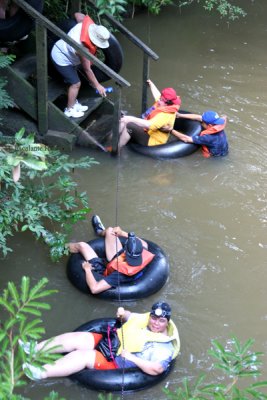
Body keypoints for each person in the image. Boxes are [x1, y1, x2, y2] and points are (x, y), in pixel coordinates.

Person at [21, 302, 180, 379]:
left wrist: (131, 357)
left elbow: (157, 369)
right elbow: (131, 317)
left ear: (167, 322)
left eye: (161, 321)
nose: (155, 323)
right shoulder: (146, 320)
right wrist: (123, 313)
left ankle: (39, 373)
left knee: (83, 356)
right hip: (111, 342)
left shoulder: (164, 347)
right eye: (154, 318)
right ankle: (34, 349)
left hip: (117, 361)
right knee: (77, 337)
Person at [68, 215, 155, 294]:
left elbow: (94, 289)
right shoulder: (143, 249)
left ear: (126, 252)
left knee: (81, 245)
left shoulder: (119, 275)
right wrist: (121, 233)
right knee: (110, 231)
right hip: (118, 261)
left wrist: (87, 269)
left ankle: (59, 247)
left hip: (109, 271)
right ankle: (99, 232)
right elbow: (143, 243)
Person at [51, 13, 110, 118]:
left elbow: (77, 14)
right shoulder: (82, 49)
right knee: (76, 83)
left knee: (76, 81)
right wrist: (97, 86)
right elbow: (87, 69)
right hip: (61, 57)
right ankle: (69, 109)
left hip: (65, 50)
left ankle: (73, 103)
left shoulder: (84, 25)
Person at [117, 79, 181, 150]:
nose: (159, 100)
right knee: (123, 120)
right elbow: (157, 95)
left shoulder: (166, 115)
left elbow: (149, 124)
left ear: (167, 103)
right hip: (147, 131)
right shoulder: (163, 103)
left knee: (129, 125)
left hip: (152, 140)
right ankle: (112, 139)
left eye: (161, 99)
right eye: (160, 98)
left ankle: (116, 149)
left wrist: (130, 119)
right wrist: (151, 84)